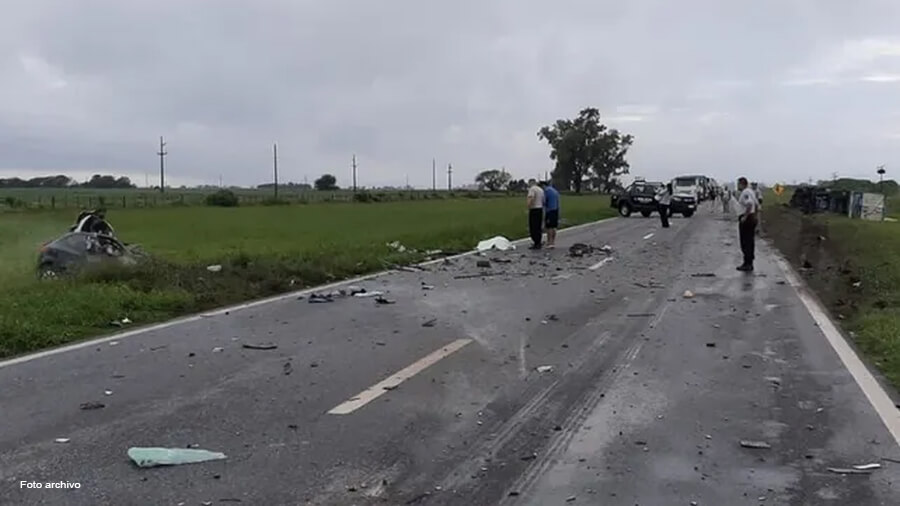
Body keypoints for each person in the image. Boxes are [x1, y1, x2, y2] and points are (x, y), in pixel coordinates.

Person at [737, 177, 759, 271]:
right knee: (750, 241)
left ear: (742, 184)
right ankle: (749, 262)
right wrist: (755, 216)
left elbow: (749, 204)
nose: (737, 186)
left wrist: (745, 217)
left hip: (747, 219)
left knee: (745, 242)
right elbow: (756, 204)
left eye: (738, 184)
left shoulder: (745, 192)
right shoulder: (751, 192)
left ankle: (747, 263)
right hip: (752, 217)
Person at [541, 181, 560, 248]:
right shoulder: (555, 191)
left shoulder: (546, 191)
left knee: (549, 227)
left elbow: (544, 201)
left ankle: (549, 242)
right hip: (555, 210)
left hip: (549, 210)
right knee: (554, 227)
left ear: (543, 185)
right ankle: (553, 241)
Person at [526, 179, 545, 249]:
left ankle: (536, 242)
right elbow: (543, 200)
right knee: (538, 226)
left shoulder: (532, 189)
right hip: (540, 209)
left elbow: (531, 198)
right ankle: (538, 241)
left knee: (533, 227)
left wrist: (528, 207)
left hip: (534, 209)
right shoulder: (541, 190)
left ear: (531, 183)